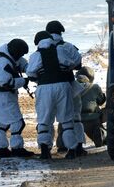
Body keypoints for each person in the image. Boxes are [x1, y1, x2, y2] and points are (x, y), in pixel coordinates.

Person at [26, 31, 79, 159]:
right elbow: (71, 64)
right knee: (66, 119)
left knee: (44, 120)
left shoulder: (35, 55)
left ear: (37, 42)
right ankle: (72, 150)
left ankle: (45, 150)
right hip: (63, 85)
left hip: (44, 87)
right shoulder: (60, 50)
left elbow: (30, 72)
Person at [45, 20, 86, 156]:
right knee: (74, 117)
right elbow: (79, 65)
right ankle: (77, 146)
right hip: (68, 84)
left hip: (46, 88)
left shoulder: (42, 49)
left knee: (47, 118)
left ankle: (46, 149)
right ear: (61, 31)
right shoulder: (68, 47)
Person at [0, 39, 35, 158]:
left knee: (2, 124)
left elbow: (24, 65)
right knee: (18, 123)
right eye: (20, 54)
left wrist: (31, 70)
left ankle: (1, 149)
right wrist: (23, 81)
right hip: (4, 95)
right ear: (15, 51)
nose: (21, 56)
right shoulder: (3, 62)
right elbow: (5, 83)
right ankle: (17, 148)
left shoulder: (10, 57)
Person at [75, 67, 107, 147]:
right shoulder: (94, 87)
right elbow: (101, 101)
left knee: (65, 128)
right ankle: (101, 134)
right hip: (92, 118)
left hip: (75, 119)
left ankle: (62, 145)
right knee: (104, 112)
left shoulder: (70, 86)